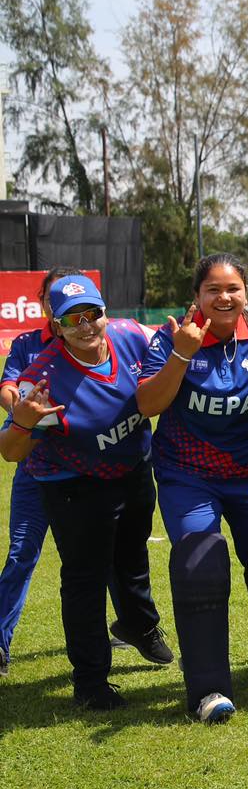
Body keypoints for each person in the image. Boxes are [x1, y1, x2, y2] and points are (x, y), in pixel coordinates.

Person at [134, 253, 248, 724]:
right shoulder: (173, 336)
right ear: (197, 296)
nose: (224, 297)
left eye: (233, 288)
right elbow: (148, 403)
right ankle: (208, 687)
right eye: (213, 289)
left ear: (245, 293)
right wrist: (181, 354)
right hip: (188, 473)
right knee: (201, 565)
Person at [0, 275, 171, 710]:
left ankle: (138, 625)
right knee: (85, 579)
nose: (85, 325)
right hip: (73, 482)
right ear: (56, 326)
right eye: (72, 319)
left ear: (105, 312)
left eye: (92, 313)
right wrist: (23, 421)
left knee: (131, 559)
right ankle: (91, 682)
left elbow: (176, 349)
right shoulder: (42, 379)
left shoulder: (132, 336)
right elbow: (11, 451)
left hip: (133, 468)